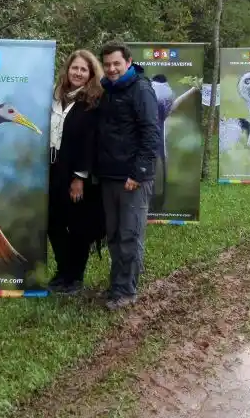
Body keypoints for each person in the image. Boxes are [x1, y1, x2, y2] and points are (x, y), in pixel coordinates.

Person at [94, 42, 162, 311]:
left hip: (132, 178)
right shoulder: (107, 90)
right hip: (109, 176)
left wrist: (139, 173)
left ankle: (127, 290)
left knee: (129, 234)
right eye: (107, 64)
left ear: (129, 62)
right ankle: (117, 284)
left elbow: (151, 134)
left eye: (116, 64)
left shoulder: (141, 90)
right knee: (113, 235)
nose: (111, 69)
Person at [47, 49, 106, 295]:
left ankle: (75, 277)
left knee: (78, 225)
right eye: (75, 68)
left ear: (91, 73)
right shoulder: (54, 97)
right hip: (52, 168)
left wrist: (79, 177)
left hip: (76, 173)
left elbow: (90, 142)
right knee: (53, 222)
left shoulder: (92, 102)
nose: (78, 73)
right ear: (67, 70)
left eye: (83, 69)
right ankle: (63, 271)